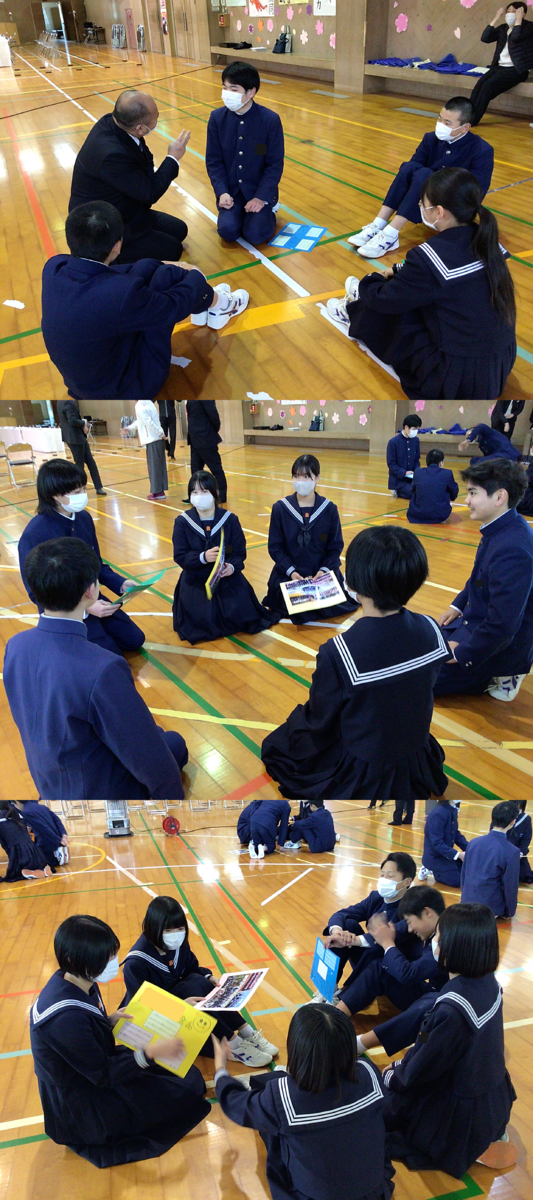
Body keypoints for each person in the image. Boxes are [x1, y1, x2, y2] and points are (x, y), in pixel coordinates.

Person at [262, 526, 450, 804]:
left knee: (281, 742)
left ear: (353, 582)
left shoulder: (339, 652)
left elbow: (319, 719)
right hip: (414, 750)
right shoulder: (431, 628)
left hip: (364, 768)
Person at [3, 539, 188, 801]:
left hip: (50, 781)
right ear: (91, 591)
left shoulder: (15, 645)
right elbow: (152, 762)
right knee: (174, 743)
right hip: (97, 794)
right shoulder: (102, 667)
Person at [30, 914, 211, 1168]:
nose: (112, 962)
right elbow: (103, 1074)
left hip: (93, 1071)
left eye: (112, 954)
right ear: (73, 959)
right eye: (104, 958)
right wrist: (149, 1054)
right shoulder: (64, 1018)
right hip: (82, 1102)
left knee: (185, 1077)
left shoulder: (75, 979)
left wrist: (107, 1021)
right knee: (185, 1089)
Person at [327, 169, 516, 401]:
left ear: (439, 212)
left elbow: (384, 299)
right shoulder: (488, 242)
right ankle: (361, 299)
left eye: (422, 204)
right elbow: (441, 278)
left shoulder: (429, 255)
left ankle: (352, 311)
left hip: (454, 378)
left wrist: (372, 280)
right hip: (497, 368)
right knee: (418, 294)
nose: (420, 207)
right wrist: (399, 270)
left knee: (396, 310)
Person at [42, 202, 246, 402]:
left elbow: (117, 272)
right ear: (117, 246)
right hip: (126, 389)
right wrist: (195, 276)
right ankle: (222, 304)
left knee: (157, 270)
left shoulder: (54, 267)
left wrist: (168, 264)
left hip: (87, 382)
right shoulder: (120, 294)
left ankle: (204, 305)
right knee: (169, 278)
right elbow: (173, 305)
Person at [383, 903, 517, 1177]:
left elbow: (420, 1066)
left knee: (378, 1107)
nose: (434, 941)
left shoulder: (452, 1009)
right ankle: (490, 1132)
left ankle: (473, 1144)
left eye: (438, 937)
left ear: (455, 946)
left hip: (458, 1114)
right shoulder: (489, 982)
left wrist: (393, 1074)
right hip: (492, 1096)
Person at [213, 1005, 395, 1200]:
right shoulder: (369, 1071)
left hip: (313, 1196)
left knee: (271, 1120)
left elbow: (234, 1104)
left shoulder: (282, 1097)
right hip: (375, 1191)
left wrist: (220, 1069)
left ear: (298, 1049)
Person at [121, 896, 278, 1067]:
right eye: (168, 930)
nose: (175, 934)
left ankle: (245, 1031)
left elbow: (191, 969)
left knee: (199, 982)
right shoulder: (136, 963)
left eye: (180, 928)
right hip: (154, 1017)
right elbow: (141, 1005)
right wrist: (180, 1005)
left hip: (176, 1002)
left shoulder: (177, 944)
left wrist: (210, 978)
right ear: (153, 928)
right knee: (191, 991)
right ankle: (232, 1045)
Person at [18, 459, 145, 658]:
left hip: (91, 597)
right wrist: (85, 608)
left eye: (84, 489)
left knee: (134, 639)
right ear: (54, 495)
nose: (83, 495)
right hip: (65, 610)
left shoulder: (83, 518)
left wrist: (121, 583)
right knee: (109, 655)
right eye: (76, 492)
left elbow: (96, 565)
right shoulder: (35, 534)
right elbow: (37, 593)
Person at [435, 459, 533, 701]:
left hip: (497, 645)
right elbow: (479, 578)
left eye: (472, 493)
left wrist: (462, 654)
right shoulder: (500, 528)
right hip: (476, 623)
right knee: (422, 642)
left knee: (418, 679)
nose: (466, 500)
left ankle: (505, 675)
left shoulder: (513, 548)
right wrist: (458, 605)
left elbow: (503, 626)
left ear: (499, 497)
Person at [350, 96, 494, 258]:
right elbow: (412, 167)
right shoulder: (430, 138)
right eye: (439, 119)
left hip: (455, 203)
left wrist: (435, 185)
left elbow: (476, 191)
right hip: (429, 196)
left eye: (447, 123)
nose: (440, 125)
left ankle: (391, 233)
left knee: (424, 174)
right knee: (409, 167)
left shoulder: (481, 150)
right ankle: (378, 224)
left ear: (465, 128)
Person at [69, 89, 190, 263]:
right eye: (156, 117)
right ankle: (110, 260)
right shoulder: (112, 155)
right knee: (173, 250)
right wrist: (172, 158)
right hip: (101, 226)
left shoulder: (113, 122)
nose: (157, 120)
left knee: (179, 230)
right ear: (140, 128)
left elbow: (144, 165)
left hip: (123, 207)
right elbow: (150, 192)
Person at [172, 470, 274, 645]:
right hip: (196, 580)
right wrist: (203, 557)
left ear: (216, 493)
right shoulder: (182, 522)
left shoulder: (230, 520)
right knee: (200, 622)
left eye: (204, 491)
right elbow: (180, 556)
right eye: (194, 492)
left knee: (243, 615)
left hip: (226, 577)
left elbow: (238, 552)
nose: (199, 496)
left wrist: (231, 567)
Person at [263, 454, 359, 624]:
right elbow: (275, 548)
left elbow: (335, 547)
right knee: (287, 604)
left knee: (329, 604)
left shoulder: (329, 509)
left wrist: (322, 572)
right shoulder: (280, 508)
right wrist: (292, 572)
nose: (301, 481)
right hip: (290, 572)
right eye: (296, 476)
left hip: (321, 573)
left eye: (307, 476)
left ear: (317, 478)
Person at [332, 886, 447, 1022]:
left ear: (427, 912)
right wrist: (350, 939)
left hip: (440, 1004)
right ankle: (336, 1010)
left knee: (381, 967)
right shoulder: (443, 926)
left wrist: (387, 942)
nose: (410, 928)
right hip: (435, 993)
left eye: (410, 922)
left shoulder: (444, 941)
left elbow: (408, 974)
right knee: (379, 964)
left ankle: (334, 1017)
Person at [315, 852, 418, 998]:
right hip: (368, 959)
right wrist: (338, 933)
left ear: (407, 882)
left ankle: (345, 995)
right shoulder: (376, 898)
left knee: (377, 945)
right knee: (347, 925)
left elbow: (388, 935)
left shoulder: (412, 907)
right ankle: (328, 989)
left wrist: (351, 940)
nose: (384, 880)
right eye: (382, 875)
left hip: (391, 967)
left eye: (390, 876)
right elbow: (341, 914)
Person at [206, 61, 284, 246]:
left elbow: (274, 164)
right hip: (231, 191)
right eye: (225, 88)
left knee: (255, 235)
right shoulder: (217, 118)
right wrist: (222, 192)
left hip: (258, 190)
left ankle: (270, 210)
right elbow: (214, 161)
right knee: (227, 231)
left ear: (251, 92)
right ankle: (239, 214)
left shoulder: (269, 120)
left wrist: (261, 197)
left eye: (234, 89)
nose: (227, 94)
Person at [470, 4, 533, 126]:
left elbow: (515, 37)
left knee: (488, 86)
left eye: (514, 11)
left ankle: (472, 120)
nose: (510, 14)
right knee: (479, 85)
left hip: (517, 70)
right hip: (499, 67)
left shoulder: (529, 27)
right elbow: (485, 38)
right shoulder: (503, 28)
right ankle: (466, 115)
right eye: (508, 11)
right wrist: (496, 17)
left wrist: (519, 20)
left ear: (522, 13)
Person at [461, 801, 521, 918]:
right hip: (489, 908)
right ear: (513, 822)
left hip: (466, 902)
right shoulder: (512, 851)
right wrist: (510, 912)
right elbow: (510, 886)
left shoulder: (473, 842)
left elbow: (464, 874)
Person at [57, 400, 106, 495]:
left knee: (91, 463)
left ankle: (98, 487)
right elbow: (72, 420)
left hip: (78, 437)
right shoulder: (67, 402)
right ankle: (79, 489)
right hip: (75, 438)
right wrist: (84, 422)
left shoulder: (61, 401)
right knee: (79, 466)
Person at [185, 401, 228, 504]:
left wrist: (210, 432)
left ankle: (221, 495)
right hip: (194, 439)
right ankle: (195, 494)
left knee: (216, 469)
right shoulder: (191, 397)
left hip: (206, 438)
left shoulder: (205, 396)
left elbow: (213, 416)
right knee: (195, 471)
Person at [419, 798, 468, 887]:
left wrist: (470, 848)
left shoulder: (452, 810)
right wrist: (459, 854)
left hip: (446, 855)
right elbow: (436, 843)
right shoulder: (437, 814)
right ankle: (429, 868)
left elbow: (455, 833)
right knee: (458, 881)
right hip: (435, 857)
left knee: (467, 874)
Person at [126, 400, 168, 501]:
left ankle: (158, 492)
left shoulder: (140, 405)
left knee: (154, 467)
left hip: (153, 440)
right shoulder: (148, 403)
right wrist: (130, 428)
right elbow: (141, 421)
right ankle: (160, 490)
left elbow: (148, 422)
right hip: (157, 439)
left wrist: (161, 433)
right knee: (159, 466)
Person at [0, 803, 52, 882]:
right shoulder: (15, 814)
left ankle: (28, 871)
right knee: (36, 862)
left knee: (14, 873)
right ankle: (43, 867)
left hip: (20, 854)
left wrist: (11, 857)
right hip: (35, 851)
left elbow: (4, 843)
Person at [11, 799, 69, 870]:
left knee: (27, 863)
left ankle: (54, 857)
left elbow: (43, 828)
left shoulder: (26, 812)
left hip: (47, 845)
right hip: (56, 841)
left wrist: (59, 840)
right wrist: (63, 835)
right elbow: (57, 820)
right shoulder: (42, 807)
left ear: (17, 802)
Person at [406, 449, 459, 524]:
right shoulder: (447, 473)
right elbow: (454, 492)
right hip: (440, 516)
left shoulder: (418, 472)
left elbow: (411, 490)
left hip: (417, 514)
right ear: (441, 463)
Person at [386, 415, 421, 500]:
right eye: (414, 429)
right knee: (414, 494)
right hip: (398, 480)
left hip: (411, 479)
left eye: (417, 429)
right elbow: (391, 464)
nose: (416, 431)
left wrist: (416, 472)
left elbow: (417, 460)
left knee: (423, 490)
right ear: (406, 427)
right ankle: (396, 491)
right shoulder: (393, 442)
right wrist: (404, 473)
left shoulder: (416, 440)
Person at [505, 800, 533, 884]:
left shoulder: (526, 819)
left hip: (516, 850)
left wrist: (520, 852)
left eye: (520, 807)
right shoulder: (503, 815)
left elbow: (526, 838)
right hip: (502, 848)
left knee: (525, 876)